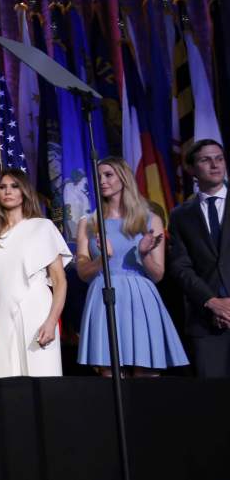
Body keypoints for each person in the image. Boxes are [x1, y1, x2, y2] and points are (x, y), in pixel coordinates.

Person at [75, 157, 188, 375]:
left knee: (146, 372)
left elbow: (158, 275)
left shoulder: (150, 219)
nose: (102, 181)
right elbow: (82, 272)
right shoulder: (88, 222)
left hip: (140, 299)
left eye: (108, 175)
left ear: (124, 178)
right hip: (103, 296)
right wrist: (102, 260)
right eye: (98, 177)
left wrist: (144, 254)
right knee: (110, 374)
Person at [0, 168, 70, 377]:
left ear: (24, 192)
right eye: (2, 187)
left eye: (14, 186)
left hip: (38, 311)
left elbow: (59, 281)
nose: (8, 191)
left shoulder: (43, 227)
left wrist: (52, 320)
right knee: (7, 383)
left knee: (44, 378)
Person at [168, 139, 230, 377]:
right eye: (206, 159)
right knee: (213, 402)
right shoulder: (181, 215)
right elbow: (180, 266)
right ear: (192, 169)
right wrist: (212, 302)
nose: (215, 165)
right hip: (206, 321)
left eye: (219, 158)